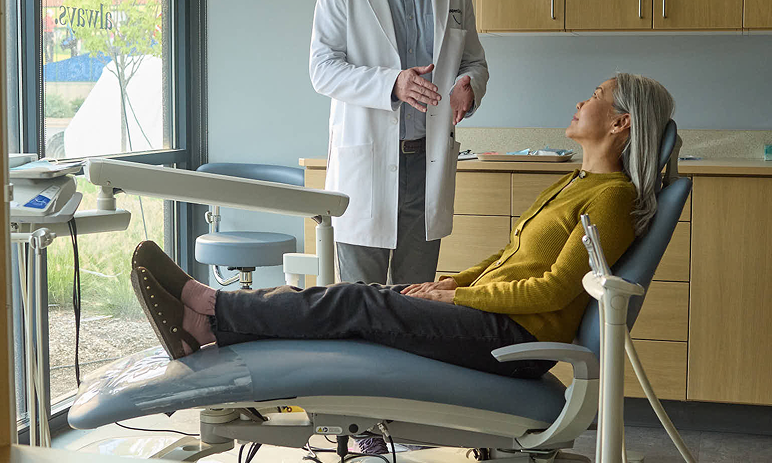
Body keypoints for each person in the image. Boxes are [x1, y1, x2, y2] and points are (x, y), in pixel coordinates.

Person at [131, 73, 675, 382]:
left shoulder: (613, 198)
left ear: (621, 122)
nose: (581, 100)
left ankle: (211, 309)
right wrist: (454, 286)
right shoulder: (577, 184)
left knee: (357, 306)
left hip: (513, 340)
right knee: (360, 294)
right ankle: (214, 322)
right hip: (494, 321)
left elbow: (553, 290)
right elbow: (508, 259)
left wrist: (460, 299)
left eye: (597, 96)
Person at [309, 0, 489, 286]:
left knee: (416, 299)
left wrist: (469, 86)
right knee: (360, 299)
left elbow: (475, 62)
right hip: (366, 162)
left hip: (427, 160)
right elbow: (323, 69)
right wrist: (394, 84)